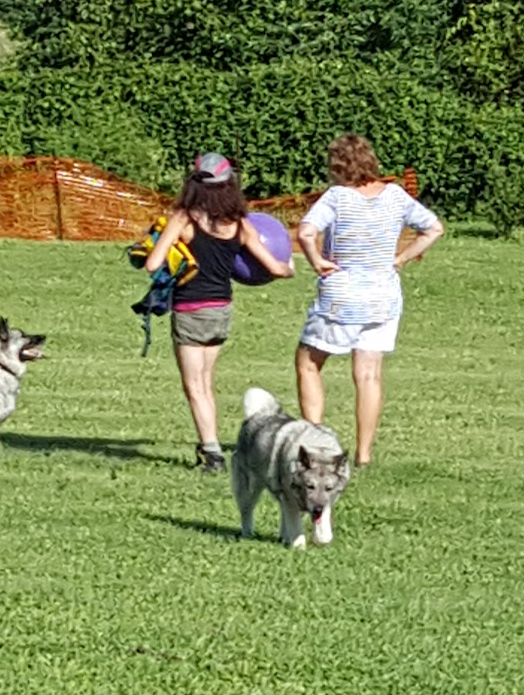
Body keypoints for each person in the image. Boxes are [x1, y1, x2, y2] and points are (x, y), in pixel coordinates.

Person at [295, 134, 443, 468]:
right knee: (369, 376)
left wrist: (317, 261)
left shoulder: (337, 197)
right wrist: (402, 258)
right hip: (383, 298)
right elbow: (434, 228)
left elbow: (305, 232)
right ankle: (363, 454)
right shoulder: (395, 195)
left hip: (341, 297)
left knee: (308, 363)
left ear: (337, 165)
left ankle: (317, 443)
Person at [145, 150, 294, 471]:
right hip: (221, 310)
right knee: (206, 381)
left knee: (194, 386)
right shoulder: (239, 225)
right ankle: (209, 445)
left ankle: (212, 455)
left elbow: (152, 263)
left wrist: (169, 247)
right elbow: (277, 269)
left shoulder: (184, 219)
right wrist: (290, 266)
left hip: (189, 309)